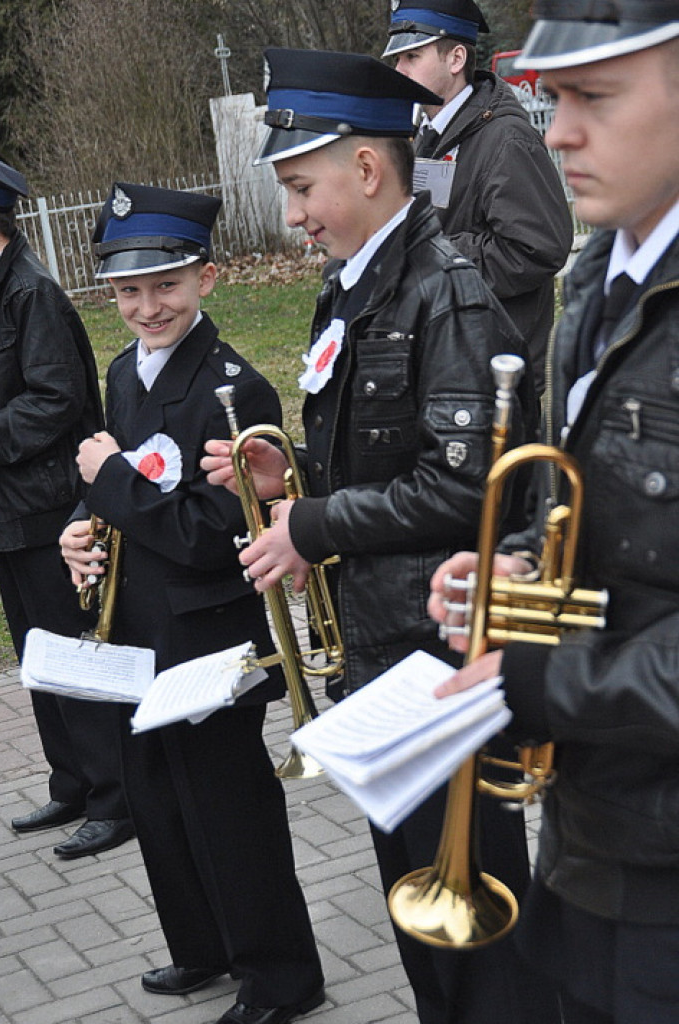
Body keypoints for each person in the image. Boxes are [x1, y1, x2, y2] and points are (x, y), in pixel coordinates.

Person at [203, 47, 560, 1024]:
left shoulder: (446, 292)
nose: (293, 215)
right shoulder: (351, 286)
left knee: (485, 940)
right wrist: (293, 479)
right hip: (381, 651)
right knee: (420, 921)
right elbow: (384, 455)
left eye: (300, 188)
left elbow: (466, 490)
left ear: (366, 169)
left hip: (437, 655)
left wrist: (314, 523)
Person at [428, 3, 679, 1022]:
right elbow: (595, 504)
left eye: (595, 99)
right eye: (556, 98)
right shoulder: (600, 275)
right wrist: (523, 566)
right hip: (591, 833)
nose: (559, 131)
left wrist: (542, 680)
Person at [59, 182, 324, 1024]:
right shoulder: (123, 373)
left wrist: (109, 485)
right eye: (128, 291)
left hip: (211, 636)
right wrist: (81, 528)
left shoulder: (233, 389)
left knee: (228, 810)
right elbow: (124, 487)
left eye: (166, 285)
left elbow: (213, 532)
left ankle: (281, 977)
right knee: (158, 799)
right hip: (141, 629)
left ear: (205, 278)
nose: (148, 307)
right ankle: (202, 946)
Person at [0, 136, 133, 860]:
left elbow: (55, 401)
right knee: (36, 651)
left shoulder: (31, 292)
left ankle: (116, 796)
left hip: (48, 503)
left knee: (71, 649)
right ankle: (72, 782)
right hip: (5, 503)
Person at [383, 0, 573, 394]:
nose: (399, 70)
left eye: (412, 57)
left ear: (455, 59)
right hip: (450, 359)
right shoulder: (427, 133)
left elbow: (538, 248)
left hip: (496, 372)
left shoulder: (505, 139)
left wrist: (430, 256)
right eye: (397, 58)